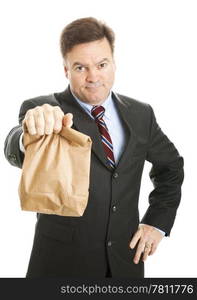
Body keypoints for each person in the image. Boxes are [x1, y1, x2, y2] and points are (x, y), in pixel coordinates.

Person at [4, 17, 184, 278]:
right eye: (80, 67)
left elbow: (171, 167)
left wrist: (156, 223)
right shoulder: (44, 108)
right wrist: (27, 135)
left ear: (114, 63)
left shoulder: (141, 114)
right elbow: (17, 144)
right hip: (60, 267)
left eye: (102, 64)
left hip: (125, 264)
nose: (93, 77)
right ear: (66, 69)